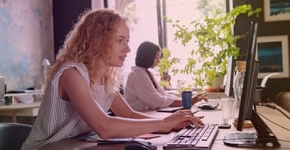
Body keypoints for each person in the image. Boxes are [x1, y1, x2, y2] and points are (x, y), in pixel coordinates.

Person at [21, 9, 203, 150]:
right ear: (98, 40)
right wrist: (163, 123)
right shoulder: (72, 74)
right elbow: (104, 127)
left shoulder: (105, 77)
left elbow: (130, 115)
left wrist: (173, 123)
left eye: (127, 41)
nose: (128, 49)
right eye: (120, 40)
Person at [124, 41, 207, 111]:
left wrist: (189, 100)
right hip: (140, 116)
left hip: (148, 113)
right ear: (148, 56)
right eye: (157, 57)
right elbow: (157, 100)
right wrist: (190, 101)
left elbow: (163, 95)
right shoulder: (137, 75)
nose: (159, 61)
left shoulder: (147, 73)